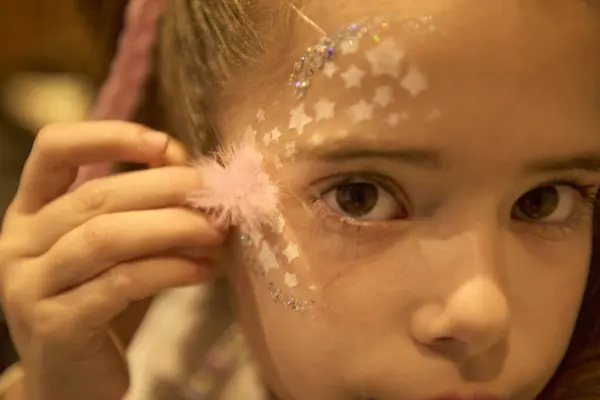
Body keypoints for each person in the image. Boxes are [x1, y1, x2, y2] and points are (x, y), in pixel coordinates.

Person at [1, 0, 600, 399]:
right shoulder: (177, 361)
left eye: (544, 200)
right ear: (197, 191)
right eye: (361, 197)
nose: (482, 311)